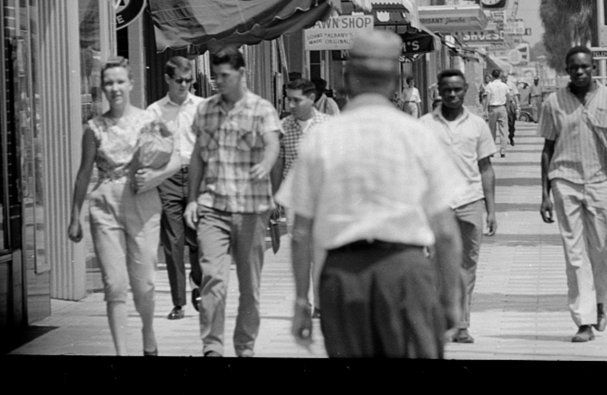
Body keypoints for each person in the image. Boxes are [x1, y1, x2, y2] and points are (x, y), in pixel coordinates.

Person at [276, 30, 467, 358]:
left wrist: (300, 302)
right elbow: (447, 234)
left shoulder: (321, 139)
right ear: (395, 81)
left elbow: (301, 233)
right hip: (406, 274)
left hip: (342, 278)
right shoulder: (417, 136)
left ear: (347, 79)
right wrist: (450, 301)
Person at [68, 56, 181, 356]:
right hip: (105, 203)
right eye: (108, 83)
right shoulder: (93, 127)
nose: (114, 88)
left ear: (130, 83)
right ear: (102, 88)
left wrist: (156, 175)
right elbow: (83, 172)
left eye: (120, 81)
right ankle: (122, 354)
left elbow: (175, 158)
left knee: (144, 283)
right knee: (115, 284)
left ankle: (148, 334)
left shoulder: (149, 120)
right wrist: (74, 217)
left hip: (143, 202)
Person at [184, 47, 281, 358]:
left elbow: (272, 144)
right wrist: (192, 200)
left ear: (242, 74)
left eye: (225, 76)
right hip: (213, 207)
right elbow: (198, 157)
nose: (219, 82)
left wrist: (266, 165)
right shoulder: (206, 110)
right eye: (216, 76)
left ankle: (245, 346)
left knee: (249, 286)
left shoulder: (261, 109)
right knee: (212, 278)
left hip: (251, 209)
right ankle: (212, 346)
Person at [539, 46, 607, 343]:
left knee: (602, 252)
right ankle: (584, 320)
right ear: (567, 70)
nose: (579, 72)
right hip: (564, 181)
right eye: (573, 67)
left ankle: (599, 301)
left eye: (585, 67)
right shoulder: (553, 102)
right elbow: (547, 149)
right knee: (575, 253)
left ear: (594, 68)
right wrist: (544, 193)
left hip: (598, 180)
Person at [420, 69, 498, 344]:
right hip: (435, 205)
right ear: (438, 91)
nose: (452, 94)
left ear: (465, 90)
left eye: (457, 89)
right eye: (446, 90)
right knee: (434, 263)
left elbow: (486, 168)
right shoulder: (424, 125)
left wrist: (491, 209)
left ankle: (462, 324)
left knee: (467, 265)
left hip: (469, 201)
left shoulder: (477, 125)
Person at [146, 56, 205, 320]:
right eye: (179, 80)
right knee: (172, 242)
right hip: (168, 179)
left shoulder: (203, 107)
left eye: (188, 80)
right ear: (168, 79)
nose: (184, 85)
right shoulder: (154, 111)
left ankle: (198, 284)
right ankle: (178, 302)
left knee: (200, 239)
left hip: (198, 178)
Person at [271, 78, 331, 318]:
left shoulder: (328, 125)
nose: (292, 104)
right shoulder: (283, 127)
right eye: (289, 99)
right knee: (301, 251)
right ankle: (303, 301)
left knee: (321, 252)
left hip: (323, 198)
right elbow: (278, 163)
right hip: (295, 200)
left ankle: (320, 304)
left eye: (297, 99)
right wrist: (274, 197)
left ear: (312, 98)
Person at [485, 70, 510, 158]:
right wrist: (507, 107)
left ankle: (492, 151)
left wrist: (485, 109)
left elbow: (487, 98)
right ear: (500, 75)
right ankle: (503, 151)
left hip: (492, 108)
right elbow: (508, 98)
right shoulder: (505, 86)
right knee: (503, 130)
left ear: (492, 76)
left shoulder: (489, 86)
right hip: (502, 108)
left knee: (492, 130)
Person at [505, 73, 519, 146]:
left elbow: (515, 95)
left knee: (511, 123)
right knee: (504, 123)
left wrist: (517, 106)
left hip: (510, 105)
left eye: (505, 76)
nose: (504, 78)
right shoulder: (500, 85)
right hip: (503, 105)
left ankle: (511, 136)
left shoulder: (511, 85)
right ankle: (504, 139)